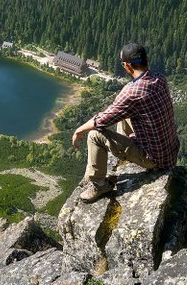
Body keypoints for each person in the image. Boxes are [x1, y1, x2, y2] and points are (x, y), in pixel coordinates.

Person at [71, 43, 179, 203]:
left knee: (94, 135)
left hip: (154, 160)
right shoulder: (159, 78)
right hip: (170, 151)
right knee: (125, 114)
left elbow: (101, 120)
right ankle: (122, 153)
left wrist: (78, 131)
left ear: (126, 65)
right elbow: (123, 108)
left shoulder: (132, 94)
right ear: (146, 60)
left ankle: (99, 184)